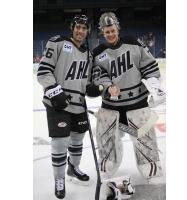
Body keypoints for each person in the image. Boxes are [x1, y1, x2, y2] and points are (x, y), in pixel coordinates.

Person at [92, 12, 165, 199]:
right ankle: (108, 166)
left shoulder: (133, 43)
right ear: (102, 32)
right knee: (106, 138)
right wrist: (108, 87)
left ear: (118, 28)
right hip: (111, 107)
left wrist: (154, 84)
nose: (110, 34)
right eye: (106, 31)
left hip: (137, 104)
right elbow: (98, 76)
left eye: (112, 30)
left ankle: (150, 167)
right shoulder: (98, 53)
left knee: (144, 138)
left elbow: (148, 64)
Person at [37, 15, 102, 199]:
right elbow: (44, 72)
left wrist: (95, 88)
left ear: (87, 31)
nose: (81, 31)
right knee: (60, 144)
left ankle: (73, 168)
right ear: (72, 28)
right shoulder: (57, 43)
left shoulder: (88, 55)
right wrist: (53, 90)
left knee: (77, 141)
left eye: (84, 28)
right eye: (78, 27)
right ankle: (59, 180)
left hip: (78, 106)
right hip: (58, 103)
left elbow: (87, 84)